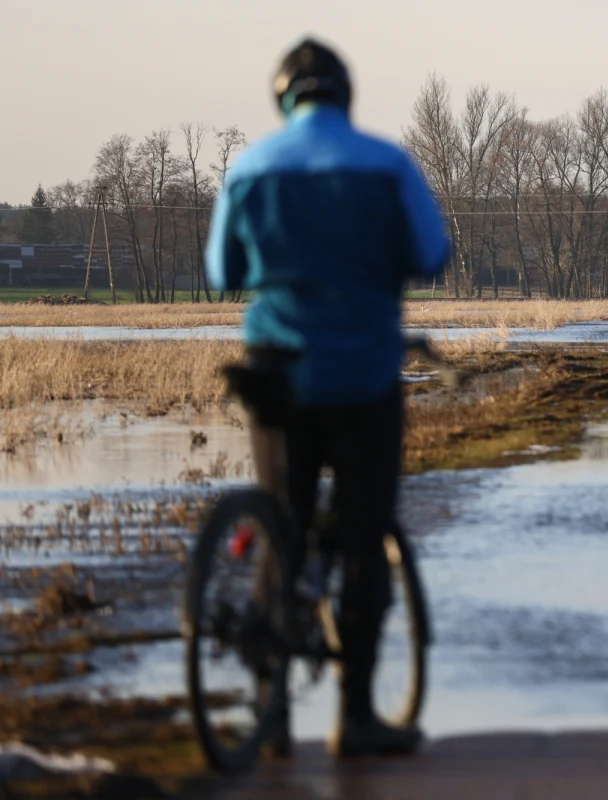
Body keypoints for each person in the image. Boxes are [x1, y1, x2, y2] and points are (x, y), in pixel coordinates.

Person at [206, 37, 451, 758]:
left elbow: (223, 270)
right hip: (362, 371)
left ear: (282, 99)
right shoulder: (387, 164)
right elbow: (432, 254)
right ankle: (356, 716)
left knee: (282, 525)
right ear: (346, 95)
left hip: (278, 372)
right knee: (365, 535)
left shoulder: (250, 168)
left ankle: (270, 710)